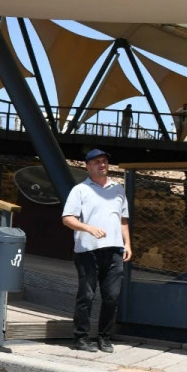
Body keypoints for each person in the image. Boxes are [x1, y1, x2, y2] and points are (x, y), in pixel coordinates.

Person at [62, 149, 133, 353]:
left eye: (104, 161)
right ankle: (81, 338)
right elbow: (67, 219)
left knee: (111, 296)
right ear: (87, 166)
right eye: (96, 162)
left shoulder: (118, 189)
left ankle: (104, 338)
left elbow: (123, 219)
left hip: (114, 251)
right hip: (88, 250)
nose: (102, 164)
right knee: (87, 295)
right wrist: (88, 228)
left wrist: (127, 244)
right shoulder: (80, 190)